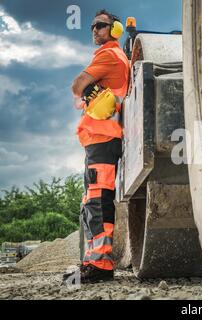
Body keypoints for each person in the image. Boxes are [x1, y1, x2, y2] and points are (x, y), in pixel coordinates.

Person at [63, 9, 130, 283]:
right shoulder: (116, 56)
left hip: (103, 137)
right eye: (92, 26)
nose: (94, 30)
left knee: (98, 200)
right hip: (101, 139)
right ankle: (94, 260)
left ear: (114, 29)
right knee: (92, 199)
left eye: (101, 26)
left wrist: (82, 93)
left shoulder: (108, 55)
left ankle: (100, 264)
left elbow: (77, 86)